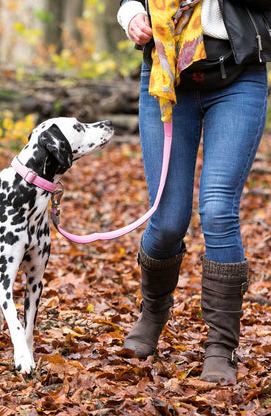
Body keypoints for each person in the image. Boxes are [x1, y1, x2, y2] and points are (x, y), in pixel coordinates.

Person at [117, 0, 271, 385]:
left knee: (218, 209)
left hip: (238, 75)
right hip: (167, 77)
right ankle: (152, 313)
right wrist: (133, 16)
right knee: (168, 221)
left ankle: (221, 345)